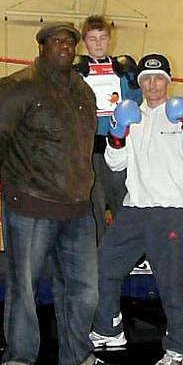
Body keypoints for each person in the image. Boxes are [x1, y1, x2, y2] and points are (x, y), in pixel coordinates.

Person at [0, 22, 123, 365]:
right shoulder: (19, 85)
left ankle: (76, 358)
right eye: (57, 41)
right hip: (31, 204)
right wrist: (17, 180)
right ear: (42, 46)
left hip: (77, 207)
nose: (65, 46)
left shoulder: (82, 89)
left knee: (84, 288)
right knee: (24, 287)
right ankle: (18, 359)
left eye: (69, 41)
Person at [90, 54, 183, 365]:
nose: (152, 85)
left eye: (158, 79)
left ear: (169, 81)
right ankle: (109, 328)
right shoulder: (132, 115)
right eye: (146, 79)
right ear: (140, 83)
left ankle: (178, 348)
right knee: (103, 265)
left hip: (172, 210)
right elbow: (115, 164)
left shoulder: (182, 113)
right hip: (135, 208)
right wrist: (117, 133)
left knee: (172, 283)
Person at [74, 15, 142, 245]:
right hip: (89, 145)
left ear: (110, 39)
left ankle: (127, 251)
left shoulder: (121, 68)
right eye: (93, 39)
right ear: (84, 42)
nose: (99, 44)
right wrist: (72, 78)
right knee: (94, 201)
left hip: (118, 143)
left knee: (122, 198)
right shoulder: (77, 70)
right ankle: (99, 253)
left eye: (103, 38)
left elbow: (136, 103)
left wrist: (133, 80)